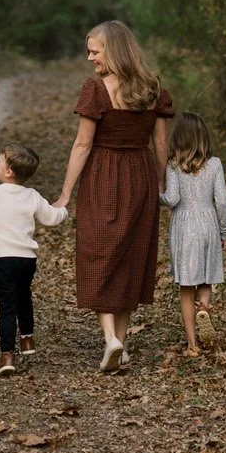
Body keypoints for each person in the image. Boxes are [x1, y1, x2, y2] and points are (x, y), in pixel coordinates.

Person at [55, 19, 174, 375]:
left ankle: (111, 338)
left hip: (103, 176)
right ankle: (120, 346)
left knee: (99, 254)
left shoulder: (96, 90)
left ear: (114, 50)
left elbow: (82, 144)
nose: (90, 58)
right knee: (128, 255)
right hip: (139, 176)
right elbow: (161, 145)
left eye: (95, 51)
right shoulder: (152, 89)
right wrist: (160, 184)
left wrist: (65, 193)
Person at [0, 143, 67, 378]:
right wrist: (63, 209)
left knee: (7, 305)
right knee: (24, 296)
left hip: (1, 259)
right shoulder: (32, 196)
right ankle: (27, 339)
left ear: (8, 171)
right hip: (26, 260)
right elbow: (51, 217)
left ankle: (6, 354)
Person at [160, 111, 226, 356]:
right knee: (206, 278)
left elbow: (173, 198)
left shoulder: (173, 166)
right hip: (208, 223)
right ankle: (205, 307)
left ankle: (192, 345)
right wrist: (224, 231)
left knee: (186, 287)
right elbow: (222, 201)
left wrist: (156, 197)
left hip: (184, 226)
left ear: (178, 138)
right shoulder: (215, 164)